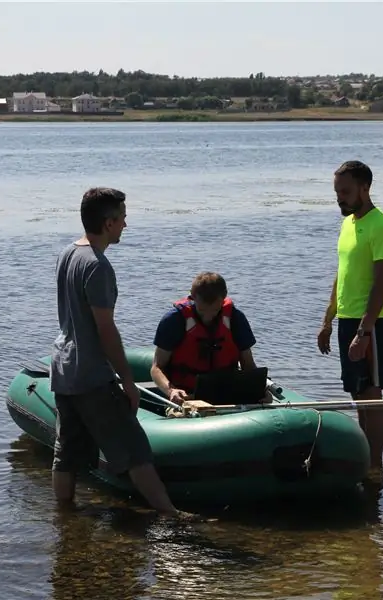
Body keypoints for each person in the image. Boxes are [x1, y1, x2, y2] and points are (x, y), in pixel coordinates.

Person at [49, 186, 188, 519]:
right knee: (134, 447)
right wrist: (127, 380)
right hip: (92, 373)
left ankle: (64, 517)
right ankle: (171, 514)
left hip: (64, 368)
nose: (126, 225)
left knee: (66, 451)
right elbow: (105, 329)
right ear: (109, 222)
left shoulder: (68, 253)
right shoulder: (98, 266)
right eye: (123, 218)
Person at [317, 160, 383, 474]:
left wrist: (364, 332)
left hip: (371, 323)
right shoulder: (348, 223)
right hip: (347, 320)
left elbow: (382, 284)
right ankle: (364, 463)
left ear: (365, 188)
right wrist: (328, 321)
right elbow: (342, 275)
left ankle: (375, 468)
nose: (340, 197)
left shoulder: (382, 226)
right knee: (358, 395)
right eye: (337, 192)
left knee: (371, 397)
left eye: (346, 191)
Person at [150, 271, 263, 404]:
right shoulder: (174, 320)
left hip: (227, 394)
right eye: (202, 311)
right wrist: (172, 391)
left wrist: (259, 391)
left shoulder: (235, 318)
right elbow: (157, 368)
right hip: (186, 396)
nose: (208, 316)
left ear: (224, 297)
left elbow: (248, 365)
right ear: (192, 297)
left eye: (215, 310)